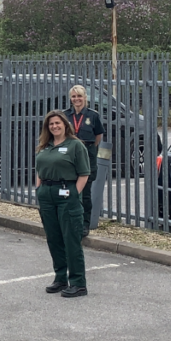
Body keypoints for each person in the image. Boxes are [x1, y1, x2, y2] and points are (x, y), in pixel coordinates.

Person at [35, 110, 91, 298]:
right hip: (47, 194)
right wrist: (39, 189)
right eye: (51, 124)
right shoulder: (45, 145)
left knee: (71, 239)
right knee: (54, 238)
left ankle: (78, 282)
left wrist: (74, 194)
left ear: (65, 125)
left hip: (66, 194)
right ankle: (60, 277)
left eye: (58, 123)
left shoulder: (75, 146)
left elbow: (84, 173)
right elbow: (39, 169)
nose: (54, 127)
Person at [63, 85, 105, 237]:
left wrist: (89, 148)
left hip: (87, 154)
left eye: (79, 96)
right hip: (69, 155)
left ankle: (84, 225)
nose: (76, 99)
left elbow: (98, 135)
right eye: (73, 96)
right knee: (67, 189)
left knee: (85, 193)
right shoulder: (65, 115)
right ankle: (69, 222)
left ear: (85, 97)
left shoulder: (92, 115)